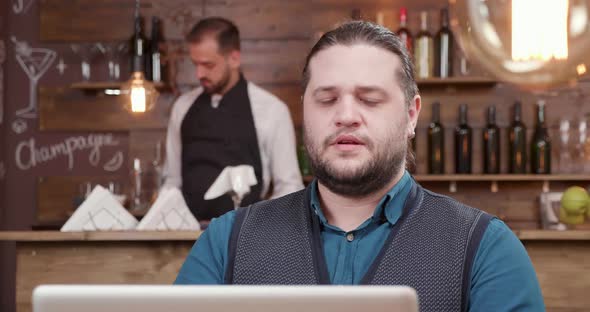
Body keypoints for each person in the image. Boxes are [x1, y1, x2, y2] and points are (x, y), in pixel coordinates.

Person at [174, 21, 545, 311]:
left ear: (412, 115)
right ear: (305, 109)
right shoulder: (226, 243)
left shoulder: (486, 249)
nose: (346, 116)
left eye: (369, 99)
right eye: (327, 99)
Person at [163, 17, 303, 220]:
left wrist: (262, 226)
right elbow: (172, 181)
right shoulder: (182, 107)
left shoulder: (271, 110)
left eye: (208, 65)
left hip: (247, 234)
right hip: (185, 235)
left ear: (234, 59)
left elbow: (290, 187)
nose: (199, 73)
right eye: (195, 64)